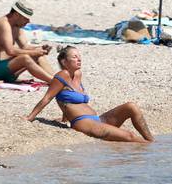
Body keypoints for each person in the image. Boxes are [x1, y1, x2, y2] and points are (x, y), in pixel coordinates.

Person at [25, 46, 154, 143]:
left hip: (98, 120)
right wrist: (30, 118)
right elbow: (47, 98)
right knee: (129, 136)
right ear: (64, 62)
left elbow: (68, 99)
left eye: (79, 56)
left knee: (131, 106)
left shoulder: (77, 74)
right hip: (84, 123)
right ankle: (150, 148)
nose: (79, 59)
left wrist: (64, 118)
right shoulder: (61, 76)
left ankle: (151, 141)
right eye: (74, 57)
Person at [0, 0, 54, 84]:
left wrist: (40, 49)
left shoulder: (16, 26)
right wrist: (34, 52)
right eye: (25, 18)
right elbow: (10, 51)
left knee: (39, 55)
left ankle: (57, 79)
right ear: (16, 15)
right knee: (25, 58)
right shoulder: (3, 24)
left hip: (5, 70)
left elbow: (25, 47)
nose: (28, 21)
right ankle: (54, 82)